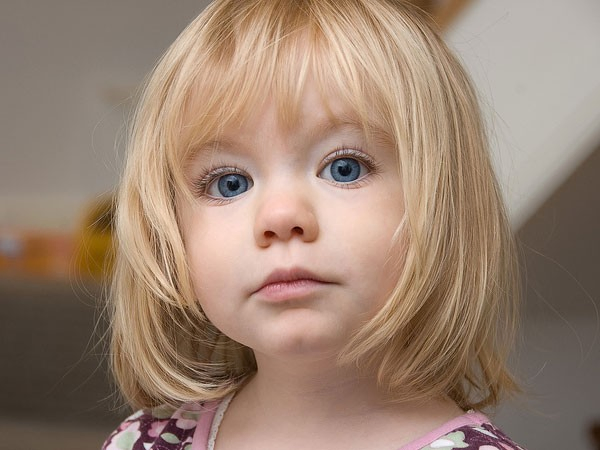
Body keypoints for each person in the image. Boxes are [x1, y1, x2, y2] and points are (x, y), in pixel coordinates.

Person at [102, 0, 525, 449]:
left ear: (442, 205)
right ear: (169, 236)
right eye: (229, 183)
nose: (281, 218)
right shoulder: (145, 441)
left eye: (344, 167)